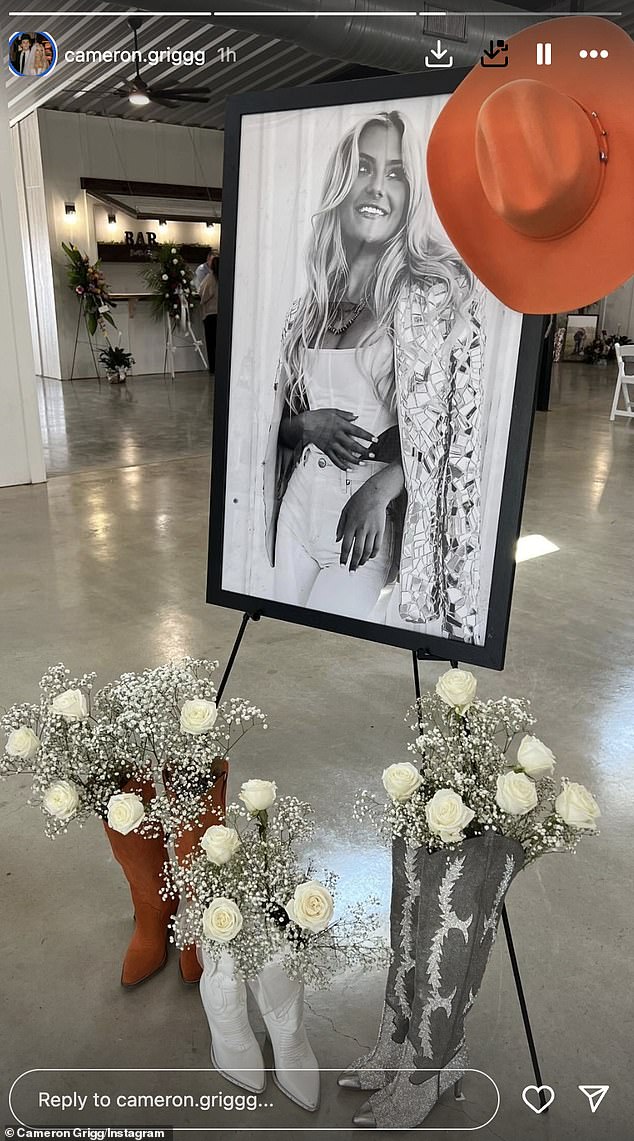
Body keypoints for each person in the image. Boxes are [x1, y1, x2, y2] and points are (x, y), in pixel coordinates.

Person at [263, 110, 483, 638]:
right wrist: (305, 426)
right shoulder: (308, 303)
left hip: (363, 521)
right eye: (364, 167)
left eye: (394, 172)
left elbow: (458, 425)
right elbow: (277, 420)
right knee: (279, 646)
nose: (377, 187)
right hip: (295, 510)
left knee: (326, 658)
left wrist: (385, 488)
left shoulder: (432, 293)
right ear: (342, 181)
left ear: (411, 195)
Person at [199, 256, 219, 374]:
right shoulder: (223, 277)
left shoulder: (210, 278)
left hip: (211, 313)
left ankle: (213, 368)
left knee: (211, 343)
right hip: (220, 315)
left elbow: (203, 294)